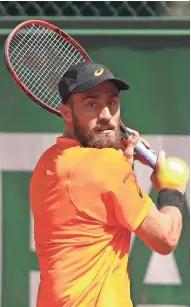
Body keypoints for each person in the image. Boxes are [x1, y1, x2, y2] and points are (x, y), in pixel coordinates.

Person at [30, 62, 187, 307]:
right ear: (66, 113)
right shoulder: (106, 166)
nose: (106, 116)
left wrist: (124, 168)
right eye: (92, 104)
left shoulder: (48, 162)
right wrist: (171, 191)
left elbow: (97, 210)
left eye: (111, 103)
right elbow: (165, 238)